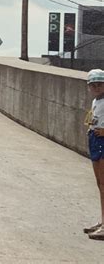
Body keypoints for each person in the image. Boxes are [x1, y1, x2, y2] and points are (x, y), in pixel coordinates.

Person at [84, 69, 104, 240]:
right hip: (94, 139)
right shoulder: (96, 101)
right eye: (93, 84)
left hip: (102, 141)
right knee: (100, 183)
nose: (96, 87)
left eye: (100, 84)